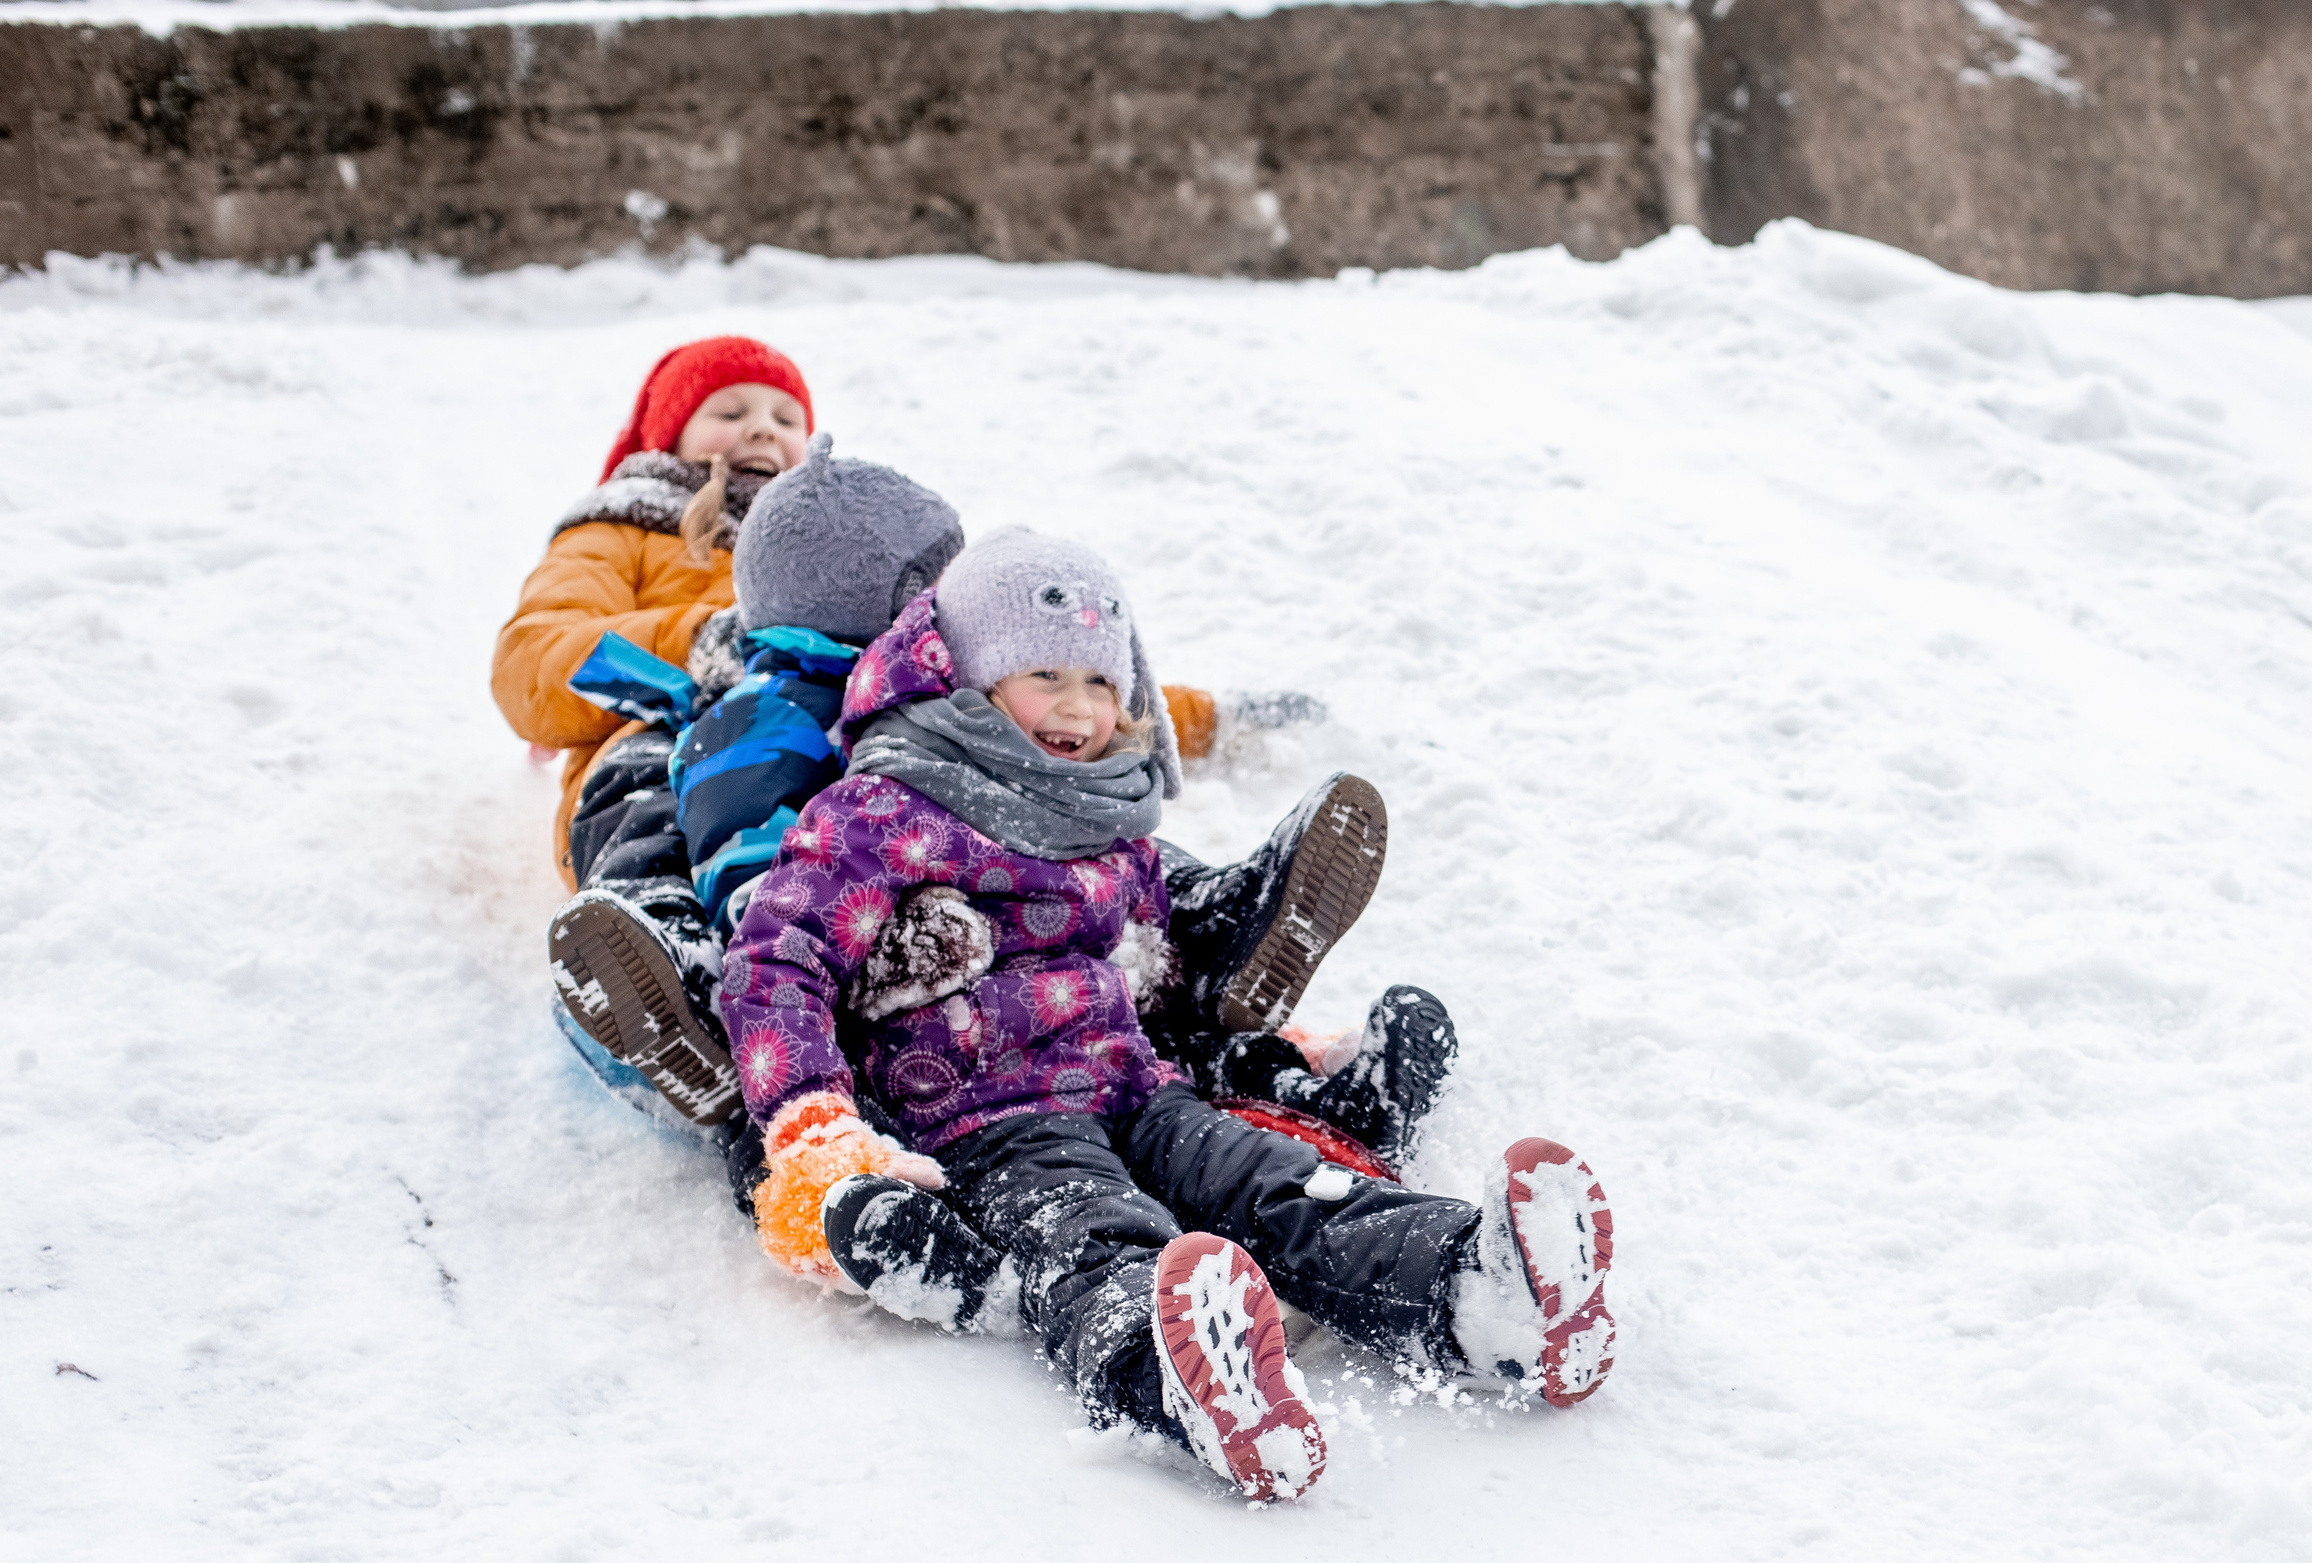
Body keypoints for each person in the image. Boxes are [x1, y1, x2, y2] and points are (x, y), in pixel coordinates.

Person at [718, 528, 1619, 1502]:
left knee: (1279, 1182)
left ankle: (1473, 1294)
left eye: (1102, 682)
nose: (1077, 705)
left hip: (1135, 1088)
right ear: (966, 677)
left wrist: (1271, 1051)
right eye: (1044, 673)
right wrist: (811, 1123)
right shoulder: (884, 812)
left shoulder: (1109, 819)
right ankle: (1178, 1374)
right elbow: (777, 961)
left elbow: (1156, 973)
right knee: (1096, 1240)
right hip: (983, 1126)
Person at [519, 380, 1456, 1176]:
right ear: (660, 435)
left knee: (1025, 801)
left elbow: (1041, 669)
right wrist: (703, 638)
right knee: (655, 824)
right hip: (662, 723)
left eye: (782, 411)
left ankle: (1207, 925)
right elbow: (532, 659)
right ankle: (686, 982)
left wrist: (1199, 713)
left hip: (869, 720)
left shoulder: (868, 539)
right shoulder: (628, 526)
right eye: (728, 410)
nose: (762, 428)